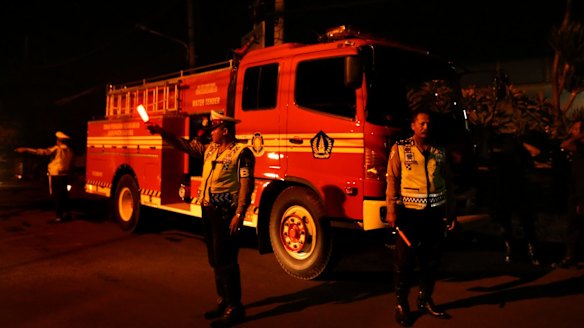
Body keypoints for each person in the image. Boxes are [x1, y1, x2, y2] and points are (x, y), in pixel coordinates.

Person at [146, 110, 254, 327]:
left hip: (226, 212)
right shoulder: (210, 149)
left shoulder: (242, 153)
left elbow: (246, 185)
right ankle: (223, 301)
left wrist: (239, 213)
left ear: (224, 130)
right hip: (209, 211)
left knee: (226, 260)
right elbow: (183, 145)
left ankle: (235, 308)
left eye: (214, 129)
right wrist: (160, 132)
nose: (210, 133)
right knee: (215, 259)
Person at [386, 109, 457, 327]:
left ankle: (425, 299)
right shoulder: (400, 148)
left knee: (432, 260)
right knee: (404, 261)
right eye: (422, 124)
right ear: (413, 126)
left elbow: (449, 183)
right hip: (409, 214)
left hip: (434, 214)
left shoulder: (439, 151)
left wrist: (451, 211)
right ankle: (401, 304)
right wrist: (391, 209)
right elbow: (392, 179)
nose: (426, 127)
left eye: (429, 124)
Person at [489, 132, 541, 266]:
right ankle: (511, 250)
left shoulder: (521, 154)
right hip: (505, 191)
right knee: (506, 223)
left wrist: (520, 143)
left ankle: (531, 251)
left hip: (520, 191)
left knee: (526, 222)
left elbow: (536, 152)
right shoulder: (499, 156)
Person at [15, 131, 74, 223]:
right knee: (64, 195)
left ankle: (59, 216)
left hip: (56, 175)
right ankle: (67, 214)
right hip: (65, 175)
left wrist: (26, 149)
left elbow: (41, 152)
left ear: (59, 141)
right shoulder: (69, 150)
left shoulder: (56, 149)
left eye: (57, 140)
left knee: (57, 196)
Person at [557, 119, 584, 268]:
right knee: (573, 225)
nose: (573, 131)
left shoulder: (580, 146)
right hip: (575, 191)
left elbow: (566, 144)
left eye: (576, 129)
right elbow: (564, 145)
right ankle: (570, 256)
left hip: (582, 192)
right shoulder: (578, 146)